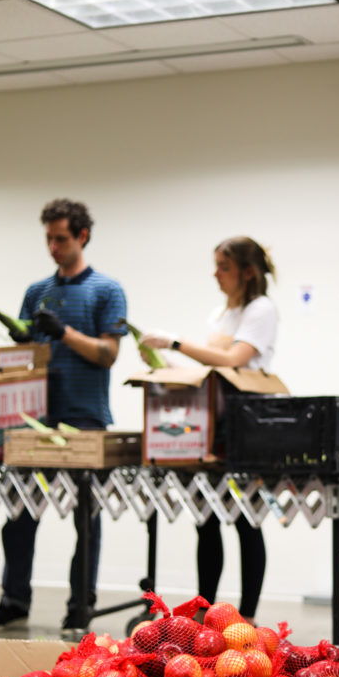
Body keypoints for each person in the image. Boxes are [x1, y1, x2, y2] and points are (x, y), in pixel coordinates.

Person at [0, 198, 128, 638]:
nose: (53, 247)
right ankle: (14, 599)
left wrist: (63, 332)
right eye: (48, 238)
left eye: (60, 238)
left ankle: (81, 605)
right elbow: (24, 358)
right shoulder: (36, 291)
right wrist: (21, 338)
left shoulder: (107, 290)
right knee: (19, 514)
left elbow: (108, 355)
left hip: (86, 419)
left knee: (86, 519)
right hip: (34, 419)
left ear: (82, 236)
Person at [140, 236, 277, 623]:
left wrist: (177, 343)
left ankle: (247, 615)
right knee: (208, 519)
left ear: (247, 272)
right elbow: (210, 369)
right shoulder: (219, 316)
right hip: (213, 426)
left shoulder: (261, 309)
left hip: (247, 427)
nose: (215, 273)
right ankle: (206, 613)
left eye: (224, 266)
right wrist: (163, 357)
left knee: (247, 522)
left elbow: (235, 359)